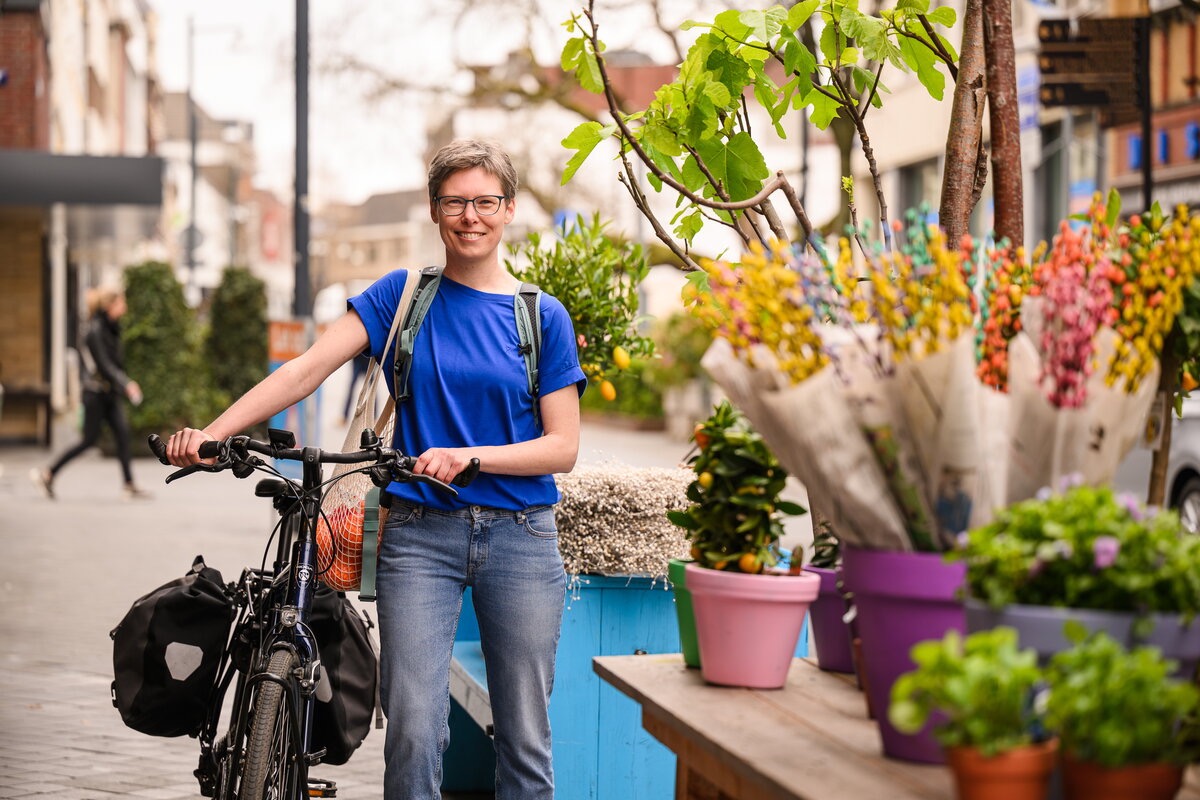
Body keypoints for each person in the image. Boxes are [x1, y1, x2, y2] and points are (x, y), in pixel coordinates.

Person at [165, 139, 586, 800]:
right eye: (455, 202)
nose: (469, 215)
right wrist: (213, 435)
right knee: (415, 729)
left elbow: (562, 447)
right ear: (434, 209)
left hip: (521, 539)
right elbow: (306, 370)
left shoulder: (542, 318)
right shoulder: (403, 297)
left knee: (525, 736)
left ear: (507, 212)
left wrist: (473, 457)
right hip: (421, 536)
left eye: (484, 201)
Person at [33, 287, 149, 500]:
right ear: (109, 306)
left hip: (109, 394)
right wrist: (127, 384)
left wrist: (121, 384)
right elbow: (105, 365)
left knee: (123, 434)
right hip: (95, 394)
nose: (124, 308)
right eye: (121, 303)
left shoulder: (112, 328)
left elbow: (115, 363)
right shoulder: (94, 330)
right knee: (88, 441)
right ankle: (49, 474)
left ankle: (129, 484)